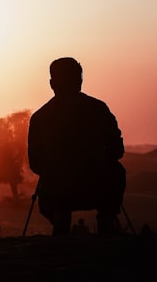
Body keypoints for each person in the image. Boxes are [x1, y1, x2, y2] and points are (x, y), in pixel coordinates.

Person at [27, 57, 125, 235]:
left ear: (52, 83)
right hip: (97, 186)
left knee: (49, 190)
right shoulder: (99, 109)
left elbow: (35, 163)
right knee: (117, 171)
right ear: (79, 80)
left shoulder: (40, 118)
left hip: (56, 190)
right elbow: (117, 151)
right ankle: (107, 221)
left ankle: (60, 221)